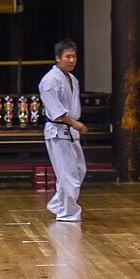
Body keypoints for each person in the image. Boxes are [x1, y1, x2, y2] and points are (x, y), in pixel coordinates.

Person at [39, 39, 87, 221]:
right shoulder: (50, 80)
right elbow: (55, 110)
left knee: (79, 170)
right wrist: (75, 123)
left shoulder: (72, 78)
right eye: (68, 56)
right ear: (58, 58)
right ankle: (67, 213)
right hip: (58, 130)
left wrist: (75, 125)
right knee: (67, 174)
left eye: (74, 56)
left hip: (71, 130)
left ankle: (59, 204)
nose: (72, 60)